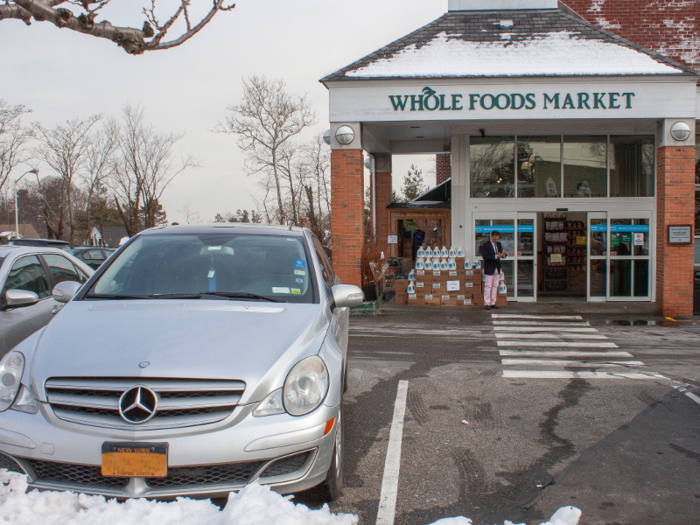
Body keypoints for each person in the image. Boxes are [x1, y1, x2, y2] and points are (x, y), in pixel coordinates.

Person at [480, 231, 506, 310]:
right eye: (494, 239)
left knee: (495, 285)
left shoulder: (499, 244)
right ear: (491, 237)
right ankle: (486, 303)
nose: (496, 241)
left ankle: (493, 302)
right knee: (488, 286)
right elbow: (485, 257)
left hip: (497, 267)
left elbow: (501, 254)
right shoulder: (486, 245)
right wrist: (495, 256)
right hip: (489, 267)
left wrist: (503, 255)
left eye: (497, 239)